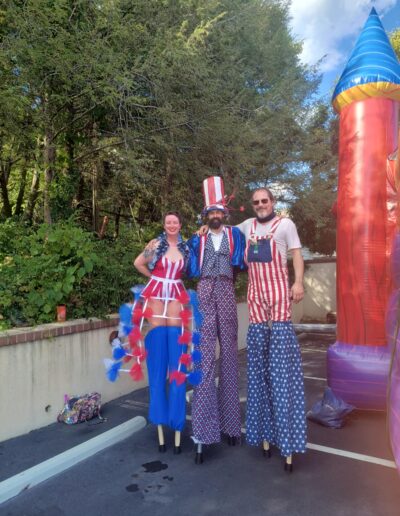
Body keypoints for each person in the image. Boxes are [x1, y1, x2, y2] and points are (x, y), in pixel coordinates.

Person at [237, 187, 306, 472]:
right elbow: (220, 228)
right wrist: (205, 225)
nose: (261, 205)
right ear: (252, 206)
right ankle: (263, 435)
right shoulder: (246, 227)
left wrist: (298, 282)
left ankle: (287, 440)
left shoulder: (285, 225)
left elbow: (297, 256)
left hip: (279, 299)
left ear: (272, 202)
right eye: (256, 202)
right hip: (255, 301)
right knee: (257, 370)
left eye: (265, 200)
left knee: (280, 370)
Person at [187, 176, 246, 464]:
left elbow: (249, 259)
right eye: (210, 212)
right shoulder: (196, 238)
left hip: (225, 287)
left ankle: (232, 425)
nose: (214, 216)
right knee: (205, 358)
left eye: (218, 212)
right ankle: (203, 430)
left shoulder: (236, 235)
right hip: (204, 289)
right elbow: (179, 258)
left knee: (230, 357)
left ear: (224, 213)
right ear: (205, 215)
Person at [134, 211, 191, 454]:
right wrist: (154, 279)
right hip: (157, 297)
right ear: (164, 225)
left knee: (178, 368)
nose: (172, 225)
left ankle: (178, 426)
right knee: (157, 369)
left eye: (175, 222)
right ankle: (159, 426)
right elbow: (138, 263)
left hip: (177, 298)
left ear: (180, 225)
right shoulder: (155, 245)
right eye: (168, 222)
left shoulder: (187, 248)